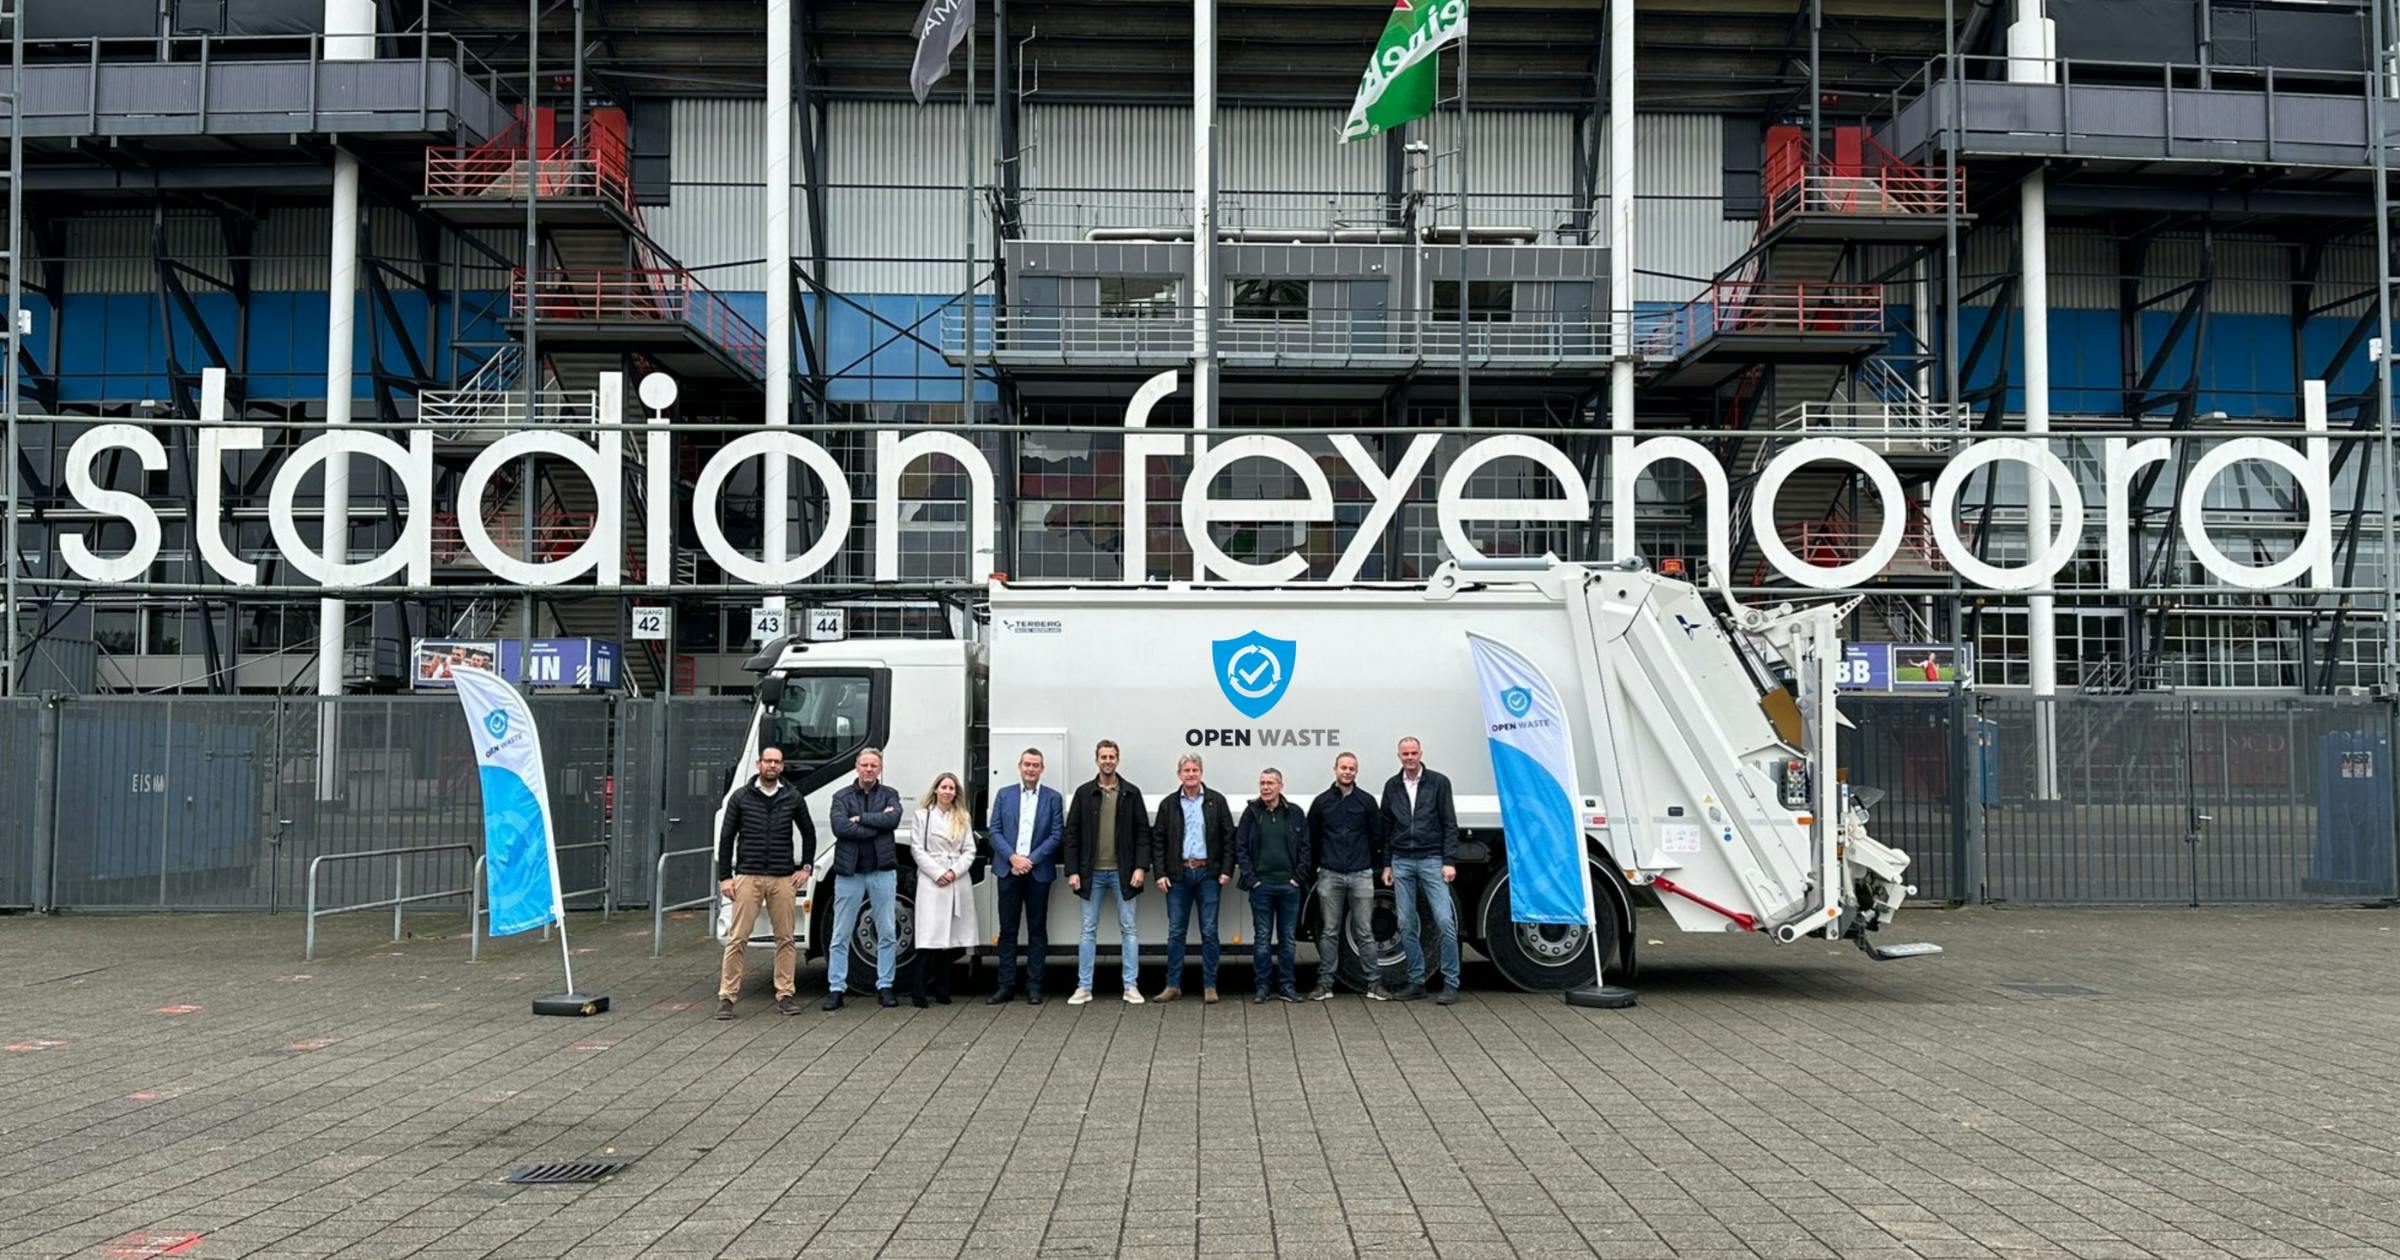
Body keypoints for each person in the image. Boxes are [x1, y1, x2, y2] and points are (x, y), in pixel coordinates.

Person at [712, 746, 816, 1020]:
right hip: (748, 875)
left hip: (783, 878)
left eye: (777, 762)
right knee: (738, 938)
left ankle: (785, 994)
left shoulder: (792, 796)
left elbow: (808, 832)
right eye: (768, 761)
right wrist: (725, 876)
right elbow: (726, 838)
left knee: (786, 938)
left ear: (782, 767)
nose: (772, 765)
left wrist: (806, 867)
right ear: (759, 764)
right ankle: (727, 996)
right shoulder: (741, 797)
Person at [1062, 739, 1150, 1005]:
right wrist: (1072, 871)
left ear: (1118, 760)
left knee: (1129, 929)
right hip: (1091, 874)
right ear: (1096, 759)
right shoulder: (1083, 793)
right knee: (1088, 930)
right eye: (1103, 756)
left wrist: (1140, 867)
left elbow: (1143, 833)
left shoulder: (1131, 793)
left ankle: (1131, 986)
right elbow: (1072, 835)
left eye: (1112, 757)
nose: (1108, 761)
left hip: (1124, 873)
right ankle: (1084, 987)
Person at [1380, 736, 1461, 1005]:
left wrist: (1448, 860)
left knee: (1444, 922)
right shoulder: (1392, 786)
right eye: (1406, 754)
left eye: (1414, 752)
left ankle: (1451, 983)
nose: (1410, 757)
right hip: (1402, 861)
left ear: (1421, 753)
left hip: (1432, 860)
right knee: (1405, 924)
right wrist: (1387, 863)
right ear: (1399, 756)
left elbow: (1449, 822)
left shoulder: (1439, 782)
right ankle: (1416, 981)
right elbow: (1386, 827)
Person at [1153, 752, 1236, 1004]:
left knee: (1209, 932)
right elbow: (1158, 841)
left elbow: (1228, 838)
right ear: (1179, 774)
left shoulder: (1216, 801)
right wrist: (1160, 873)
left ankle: (1210, 985)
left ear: (1201, 773)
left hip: (1208, 874)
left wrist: (1226, 870)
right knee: (1176, 932)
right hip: (1178, 875)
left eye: (1195, 770)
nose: (1191, 774)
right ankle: (1173, 985)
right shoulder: (1169, 804)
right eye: (1186, 770)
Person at [824, 747, 904, 1011]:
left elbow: (893, 819)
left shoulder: (890, 794)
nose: (869, 770)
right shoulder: (841, 796)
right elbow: (840, 826)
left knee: (888, 932)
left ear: (879, 769)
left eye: (873, 766)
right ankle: (836, 988)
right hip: (850, 874)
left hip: (883, 872)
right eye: (864, 765)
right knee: (840, 933)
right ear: (856, 767)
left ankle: (886, 986)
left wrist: (860, 820)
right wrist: (874, 827)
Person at [1306, 750, 1389, 1001]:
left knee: (1365, 931)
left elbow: (1377, 837)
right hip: (1330, 874)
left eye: (1351, 768)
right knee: (1329, 931)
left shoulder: (1366, 802)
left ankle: (1374, 984)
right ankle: (1325, 984)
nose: (1347, 772)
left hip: (1360, 875)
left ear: (1356, 771)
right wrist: (1319, 865)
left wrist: (1368, 863)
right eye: (1343, 767)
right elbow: (1312, 838)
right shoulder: (1322, 802)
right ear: (1335, 770)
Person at [986, 747, 1064, 1006]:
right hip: (1008, 870)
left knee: (1037, 930)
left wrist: (1030, 860)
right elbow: (994, 830)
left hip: (1037, 871)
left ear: (1042, 769)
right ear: (1019, 766)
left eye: (1036, 765)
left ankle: (1034, 986)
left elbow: (1056, 834)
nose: (1031, 769)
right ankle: (1005, 986)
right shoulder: (1004, 795)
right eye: (1027, 764)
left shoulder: (1053, 798)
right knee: (1007, 931)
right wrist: (1013, 857)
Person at [1235, 767, 1310, 1003]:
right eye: (1262, 783)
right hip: (1262, 887)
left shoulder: (1295, 813)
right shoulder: (1251, 813)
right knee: (1263, 939)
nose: (1265, 787)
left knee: (1287, 940)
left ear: (1281, 786)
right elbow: (1241, 848)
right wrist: (1252, 880)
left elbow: (1306, 848)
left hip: (1289, 887)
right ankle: (1262, 987)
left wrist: (1297, 878)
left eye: (1270, 783)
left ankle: (1287, 987)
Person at [908, 772, 979, 1008]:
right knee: (929, 938)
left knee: (947, 940)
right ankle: (918, 991)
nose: (948, 791)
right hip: (932, 881)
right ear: (936, 790)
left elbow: (969, 850)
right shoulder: (922, 816)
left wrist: (953, 872)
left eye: (952, 788)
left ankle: (943, 989)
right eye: (944, 787)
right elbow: (917, 849)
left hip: (956, 879)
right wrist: (938, 873)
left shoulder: (963, 817)